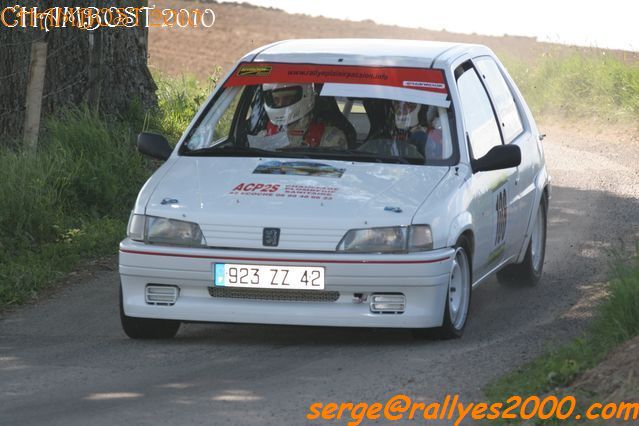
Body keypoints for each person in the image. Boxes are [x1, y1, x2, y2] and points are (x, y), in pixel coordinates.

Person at [260, 83, 347, 149]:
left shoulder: (331, 137)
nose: (280, 104)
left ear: (306, 95)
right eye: (276, 100)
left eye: (287, 98)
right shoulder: (264, 134)